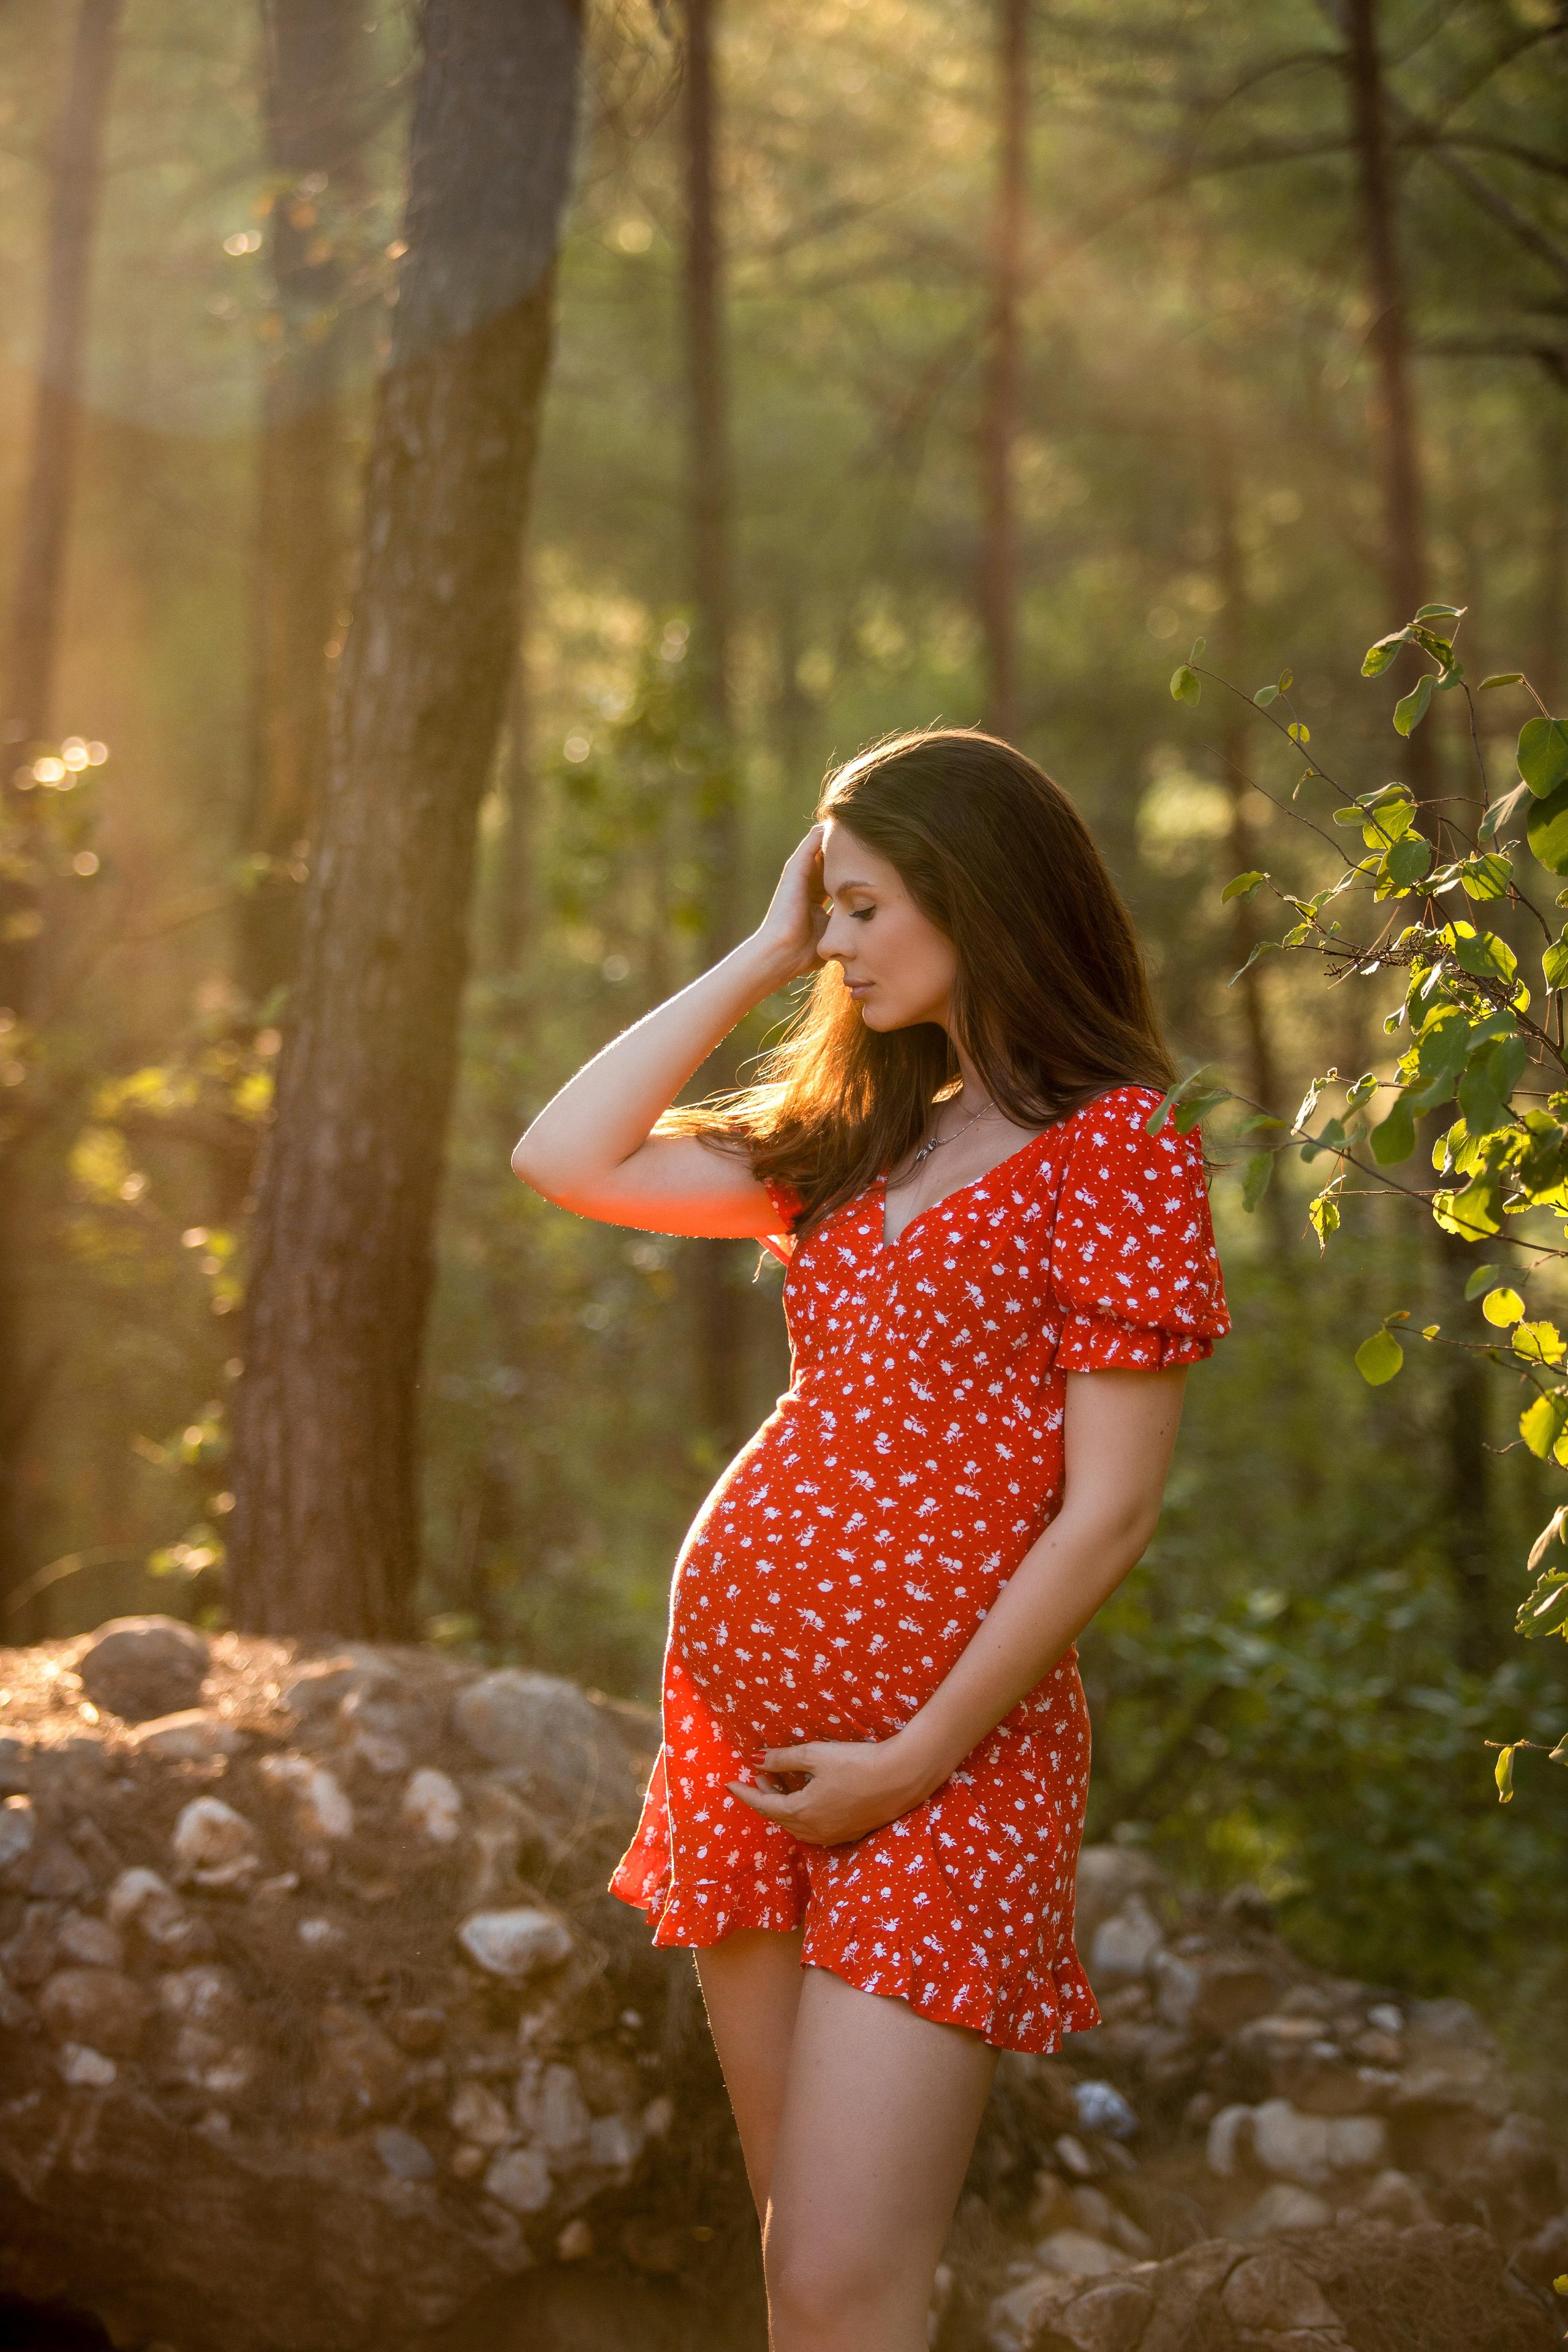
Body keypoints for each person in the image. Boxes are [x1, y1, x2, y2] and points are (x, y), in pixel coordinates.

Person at [510, 727, 1228, 2352]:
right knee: (802, 2276)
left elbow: (1110, 1514)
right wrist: (765, 951)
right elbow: (565, 1155)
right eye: (827, 911)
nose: (836, 944)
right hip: (745, 1748)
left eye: (863, 909)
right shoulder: (867, 1135)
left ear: (981, 898)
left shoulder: (1117, 1145)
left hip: (946, 1770)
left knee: (848, 2280)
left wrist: (909, 1760)